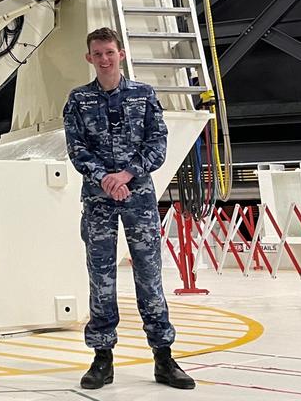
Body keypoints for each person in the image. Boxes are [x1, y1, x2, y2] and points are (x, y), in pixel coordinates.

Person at [62, 27, 195, 391]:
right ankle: (102, 358)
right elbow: (76, 150)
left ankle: (164, 357)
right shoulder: (78, 100)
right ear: (89, 58)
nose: (104, 59)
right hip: (98, 201)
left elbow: (158, 143)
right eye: (97, 53)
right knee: (101, 279)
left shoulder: (144, 95)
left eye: (109, 52)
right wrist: (105, 178)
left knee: (149, 278)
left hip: (138, 198)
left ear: (121, 53)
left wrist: (126, 174)